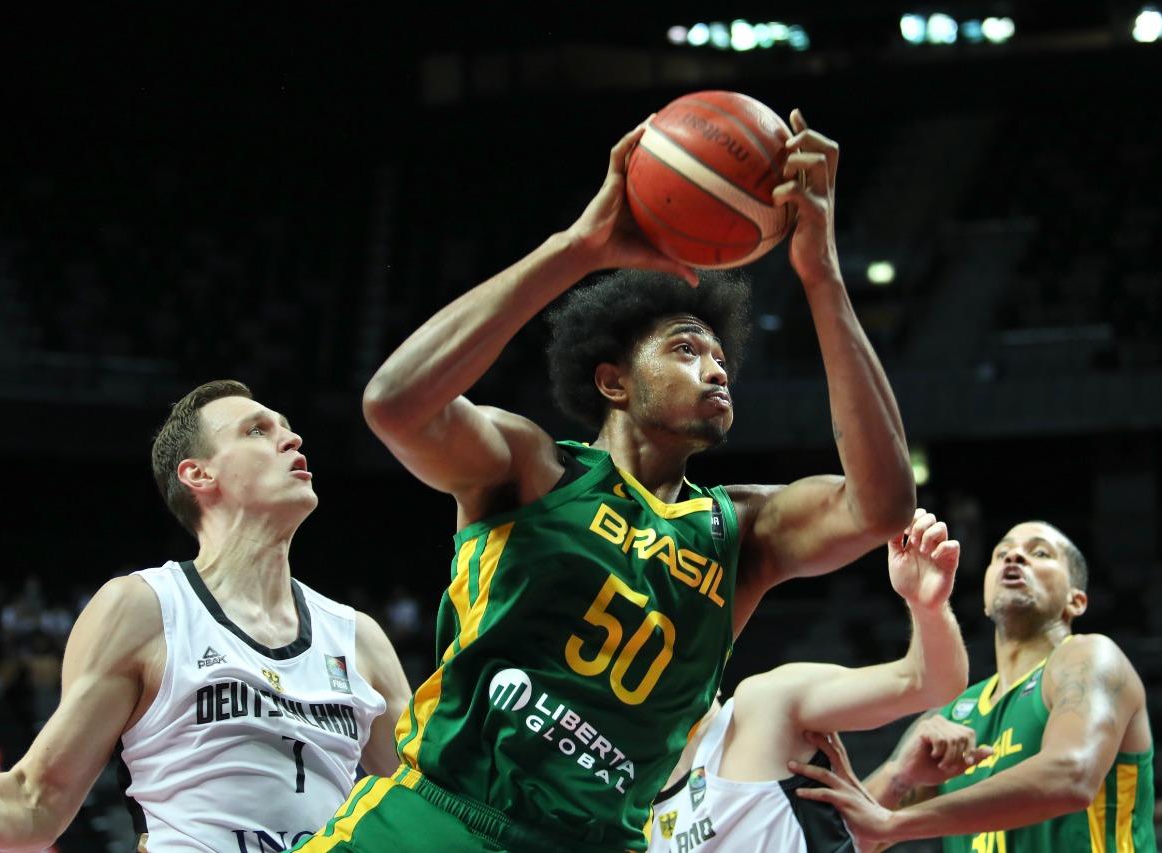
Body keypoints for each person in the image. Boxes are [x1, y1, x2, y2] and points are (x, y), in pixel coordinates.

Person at [294, 109, 916, 853]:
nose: (716, 367)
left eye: (721, 357)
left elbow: (882, 505)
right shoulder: (531, 470)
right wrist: (576, 249)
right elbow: (395, 404)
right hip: (439, 817)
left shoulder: (741, 532)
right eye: (687, 349)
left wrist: (822, 275)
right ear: (613, 381)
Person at [0, 380, 411, 852]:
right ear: (199, 474)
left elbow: (428, 812)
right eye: (256, 431)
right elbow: (34, 803)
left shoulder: (358, 639)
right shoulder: (146, 609)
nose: (292, 440)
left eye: (287, 429)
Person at [791, 520, 1158, 852]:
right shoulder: (953, 714)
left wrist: (895, 823)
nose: (1014, 555)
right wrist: (899, 775)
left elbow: (1072, 775)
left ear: (1075, 601)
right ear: (984, 598)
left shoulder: (1090, 657)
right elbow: (852, 842)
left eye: (1040, 553)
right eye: (1001, 554)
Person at [647, 508, 976, 853]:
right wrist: (896, 778)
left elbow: (929, 682)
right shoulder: (625, 807)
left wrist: (927, 608)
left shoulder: (763, 707)